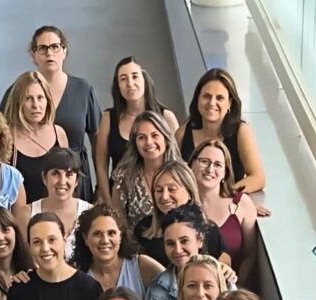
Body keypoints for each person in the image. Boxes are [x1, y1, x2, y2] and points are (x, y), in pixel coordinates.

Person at [2, 26, 102, 202]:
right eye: (42, 48)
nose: (49, 53)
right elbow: (2, 137)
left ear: (64, 51)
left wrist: (101, 187)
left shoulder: (82, 89)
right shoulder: (15, 91)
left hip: (72, 180)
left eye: (55, 47)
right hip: (28, 182)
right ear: (33, 55)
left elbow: (98, 143)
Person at [95, 56, 179, 203]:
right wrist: (109, 203)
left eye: (135, 76)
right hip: (119, 198)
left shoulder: (166, 117)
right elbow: (101, 165)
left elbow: (178, 163)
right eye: (123, 79)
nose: (130, 83)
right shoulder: (108, 118)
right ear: (117, 86)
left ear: (144, 80)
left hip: (160, 197)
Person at [175, 69, 267, 199]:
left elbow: (258, 178)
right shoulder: (182, 133)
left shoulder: (241, 131)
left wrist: (224, 196)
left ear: (230, 103)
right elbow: (170, 175)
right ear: (197, 99)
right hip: (191, 206)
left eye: (220, 98)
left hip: (228, 205)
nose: (212, 103)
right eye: (206, 96)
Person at [147, 204, 236, 300]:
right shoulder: (157, 288)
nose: (178, 250)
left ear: (199, 240)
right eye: (170, 243)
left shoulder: (223, 279)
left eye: (184, 241)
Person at [190, 138, 257, 286]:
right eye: (204, 161)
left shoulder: (242, 204)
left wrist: (237, 289)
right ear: (192, 164)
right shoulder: (182, 204)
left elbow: (250, 256)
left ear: (225, 172)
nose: (210, 169)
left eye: (218, 164)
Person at [134, 161, 226, 266]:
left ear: (189, 191)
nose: (164, 196)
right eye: (159, 190)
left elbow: (221, 269)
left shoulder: (210, 230)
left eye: (171, 189)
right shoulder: (143, 229)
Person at [2, 71, 70, 203]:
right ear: (18, 102)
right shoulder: (6, 137)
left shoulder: (59, 134)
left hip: (54, 213)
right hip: (18, 213)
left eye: (40, 98)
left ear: (47, 100)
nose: (35, 105)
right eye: (28, 98)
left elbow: (67, 179)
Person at [72, 202, 164, 298]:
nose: (105, 240)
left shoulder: (142, 266)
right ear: (85, 238)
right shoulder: (77, 279)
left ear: (120, 236)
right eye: (97, 234)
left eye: (111, 233)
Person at [111, 111, 182, 229]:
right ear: (135, 143)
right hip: (136, 240)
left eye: (155, 135)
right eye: (141, 137)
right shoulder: (124, 176)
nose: (149, 142)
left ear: (165, 138)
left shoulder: (182, 174)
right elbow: (116, 222)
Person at [27, 147, 93, 260]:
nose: (62, 181)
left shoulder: (90, 212)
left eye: (69, 174)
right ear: (44, 178)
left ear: (77, 180)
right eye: (56, 173)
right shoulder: (27, 214)